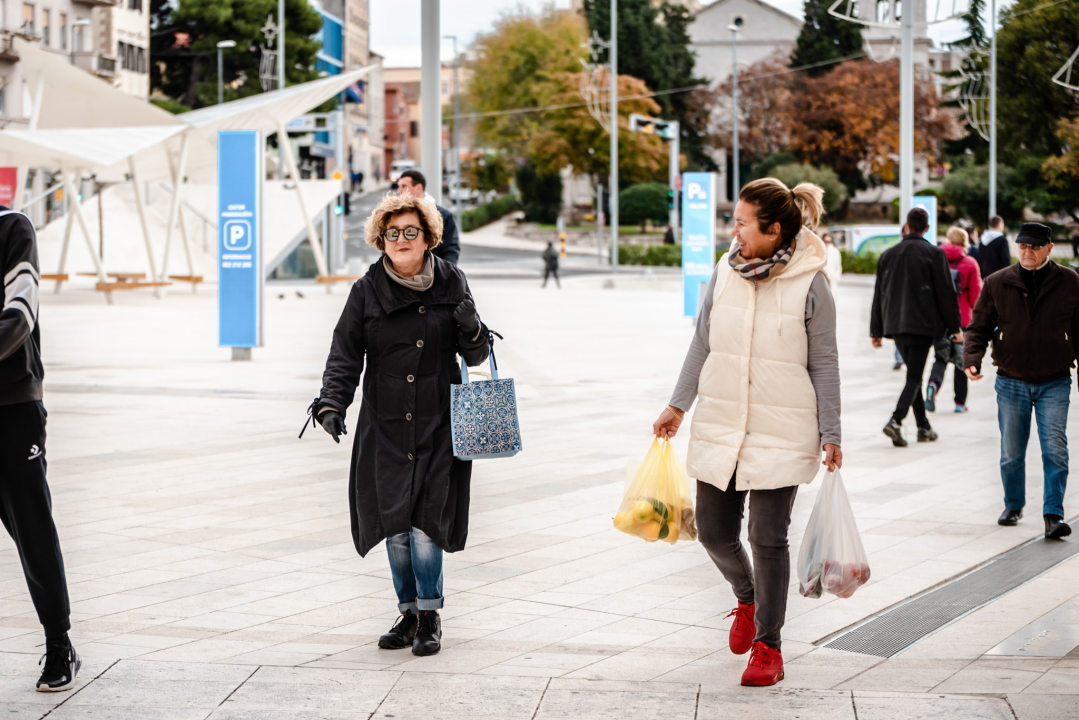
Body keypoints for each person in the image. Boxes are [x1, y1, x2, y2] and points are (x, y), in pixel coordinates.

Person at [653, 178, 841, 688]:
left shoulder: (811, 282)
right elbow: (702, 341)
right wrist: (677, 404)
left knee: (767, 536)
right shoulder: (724, 268)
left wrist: (832, 431)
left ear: (773, 229)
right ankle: (746, 597)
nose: (732, 230)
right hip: (722, 419)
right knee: (713, 531)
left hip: (783, 426)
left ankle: (769, 647)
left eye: (740, 222)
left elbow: (824, 361)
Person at [309, 194, 491, 655]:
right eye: (393, 234)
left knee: (426, 525)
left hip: (437, 421)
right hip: (386, 425)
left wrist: (471, 328)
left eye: (411, 231)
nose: (402, 240)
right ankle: (407, 611)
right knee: (396, 526)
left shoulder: (451, 281)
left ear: (428, 236)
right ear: (381, 241)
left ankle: (429, 614)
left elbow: (477, 356)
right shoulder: (366, 290)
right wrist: (332, 402)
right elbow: (345, 353)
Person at [0, 208, 79, 691]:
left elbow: (20, 312)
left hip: (11, 404)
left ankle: (58, 641)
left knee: (32, 527)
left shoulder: (12, 227)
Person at [964, 223, 1079, 540]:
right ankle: (1013, 505)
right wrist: (972, 359)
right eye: (1023, 246)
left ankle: (1053, 515)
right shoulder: (998, 282)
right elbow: (978, 328)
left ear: (1049, 248)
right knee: (1011, 451)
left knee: (1055, 449)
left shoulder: (1069, 282)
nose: (1027, 252)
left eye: (1034, 247)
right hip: (1011, 379)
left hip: (1055, 380)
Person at [870, 207, 962, 447]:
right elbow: (946, 294)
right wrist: (955, 328)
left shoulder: (888, 254)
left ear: (906, 226)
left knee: (914, 377)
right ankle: (895, 420)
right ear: (928, 228)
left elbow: (878, 294)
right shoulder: (934, 253)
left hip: (896, 325)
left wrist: (876, 330)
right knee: (914, 378)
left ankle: (923, 427)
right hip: (923, 326)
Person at [926, 226, 982, 413]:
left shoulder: (935, 259)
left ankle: (933, 385)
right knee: (961, 363)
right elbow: (976, 296)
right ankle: (959, 403)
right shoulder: (970, 262)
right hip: (963, 320)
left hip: (940, 319)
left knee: (940, 358)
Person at [397, 169, 460, 266]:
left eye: (404, 186)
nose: (399, 191)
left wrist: (445, 275)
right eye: (399, 186)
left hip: (434, 276)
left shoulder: (443, 216)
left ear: (418, 188)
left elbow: (450, 250)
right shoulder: (396, 216)